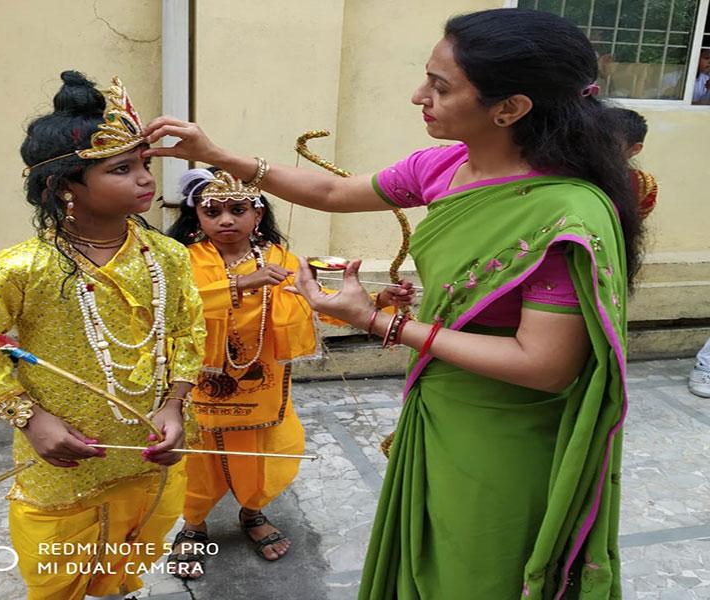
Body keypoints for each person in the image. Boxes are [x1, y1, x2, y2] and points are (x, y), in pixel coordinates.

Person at [141, 7, 641, 599]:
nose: (417, 96)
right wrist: (218, 154)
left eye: (440, 85)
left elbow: (544, 364)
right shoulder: (449, 165)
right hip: (440, 397)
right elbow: (331, 191)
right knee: (428, 550)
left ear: (510, 108)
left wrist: (377, 320)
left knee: (480, 566)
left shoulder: (564, 214)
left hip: (509, 427)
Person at [0, 71, 206, 600]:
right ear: (63, 186)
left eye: (145, 164)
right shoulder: (23, 266)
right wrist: (30, 417)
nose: (146, 179)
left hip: (149, 448)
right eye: (121, 168)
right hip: (63, 457)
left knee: (128, 562)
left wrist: (175, 405)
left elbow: (186, 330)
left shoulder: (170, 258)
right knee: (57, 572)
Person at [164, 167, 413, 576]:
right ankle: (193, 525)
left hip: (263, 388)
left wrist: (378, 300)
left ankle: (253, 512)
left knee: (264, 457)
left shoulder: (282, 260)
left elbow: (320, 304)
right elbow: (174, 305)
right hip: (197, 384)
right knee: (198, 461)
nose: (226, 220)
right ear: (197, 216)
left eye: (237, 209)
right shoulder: (181, 260)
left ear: (257, 214)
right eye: (213, 211)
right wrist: (243, 284)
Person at [609, 107, 659, 220]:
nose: (601, 147)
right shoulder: (572, 172)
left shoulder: (642, 184)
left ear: (635, 149)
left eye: (611, 144)